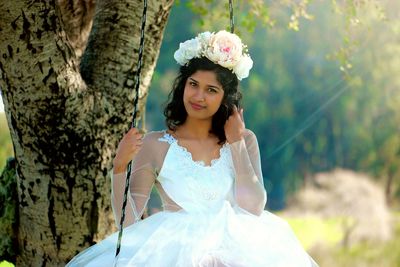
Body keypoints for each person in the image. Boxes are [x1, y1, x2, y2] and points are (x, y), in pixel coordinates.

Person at [67, 30, 318, 267]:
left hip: (236, 252)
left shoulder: (244, 139)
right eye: (193, 84)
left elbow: (252, 208)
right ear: (183, 86)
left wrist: (236, 142)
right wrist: (120, 167)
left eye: (211, 90)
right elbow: (130, 225)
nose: (199, 96)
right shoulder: (155, 145)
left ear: (225, 98)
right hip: (175, 252)